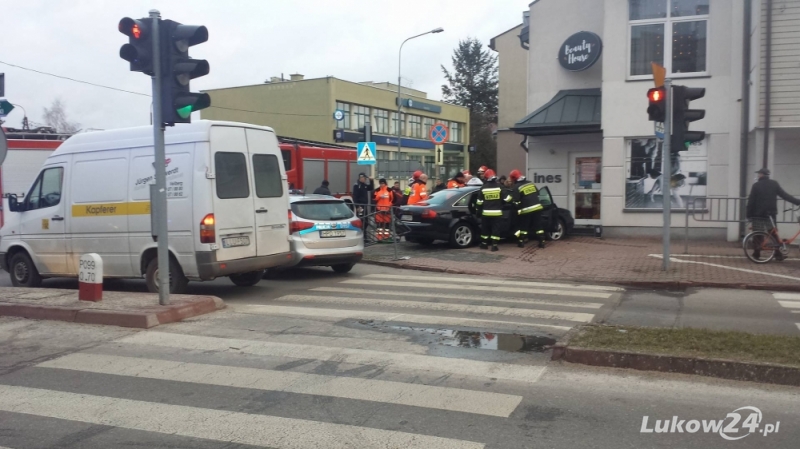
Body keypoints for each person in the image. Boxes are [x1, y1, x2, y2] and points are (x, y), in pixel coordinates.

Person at [747, 168, 800, 260]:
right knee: (773, 233)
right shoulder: (774, 184)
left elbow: (751, 201)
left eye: (759, 174)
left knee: (757, 234)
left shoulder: (756, 185)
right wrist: (797, 202)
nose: (758, 175)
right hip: (770, 214)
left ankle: (756, 253)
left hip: (758, 214)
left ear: (761, 175)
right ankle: (778, 254)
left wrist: (748, 214)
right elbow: (784, 195)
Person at [509, 169, 545, 249]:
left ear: (514, 178)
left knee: (524, 227)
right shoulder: (530, 183)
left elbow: (516, 201)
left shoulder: (516, 187)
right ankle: (542, 242)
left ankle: (521, 242)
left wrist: (516, 208)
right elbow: (537, 193)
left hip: (527, 210)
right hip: (537, 208)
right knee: (538, 226)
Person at [476, 169, 505, 252]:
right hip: (497, 213)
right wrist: (502, 203)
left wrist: (478, 211)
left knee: (485, 229)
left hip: (486, 213)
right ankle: (494, 246)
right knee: (495, 229)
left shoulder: (483, 187)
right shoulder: (500, 187)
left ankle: (484, 244)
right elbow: (507, 198)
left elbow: (479, 202)